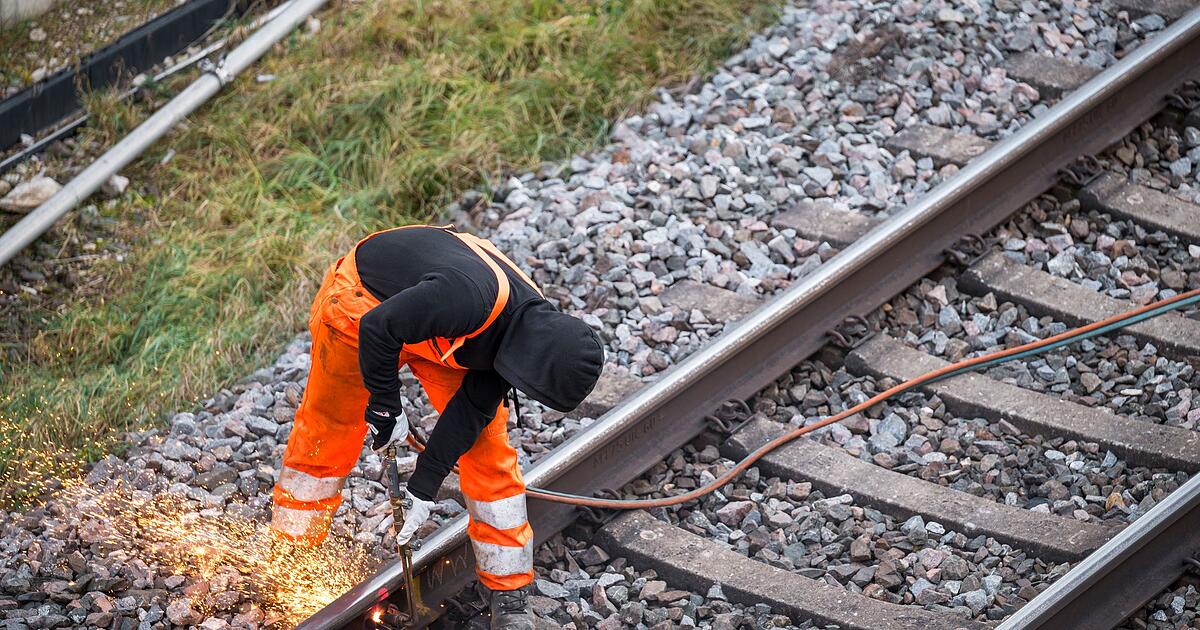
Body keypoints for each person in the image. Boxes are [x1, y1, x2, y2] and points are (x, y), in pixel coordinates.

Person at [270, 225, 604, 629]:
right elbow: (378, 327)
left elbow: (469, 412)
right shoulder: (468, 299)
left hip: (442, 330)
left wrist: (423, 487)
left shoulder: (531, 336)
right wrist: (386, 405)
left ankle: (509, 591)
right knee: (329, 434)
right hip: (364, 305)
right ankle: (292, 555)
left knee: (488, 453)